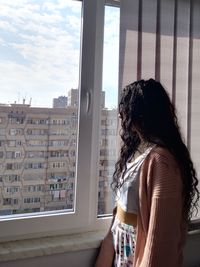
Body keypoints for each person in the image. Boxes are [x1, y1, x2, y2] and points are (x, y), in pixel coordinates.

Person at [95, 79, 199, 267]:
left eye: (126, 108)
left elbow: (160, 238)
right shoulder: (140, 153)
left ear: (140, 114)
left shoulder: (162, 162)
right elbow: (120, 216)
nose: (121, 114)